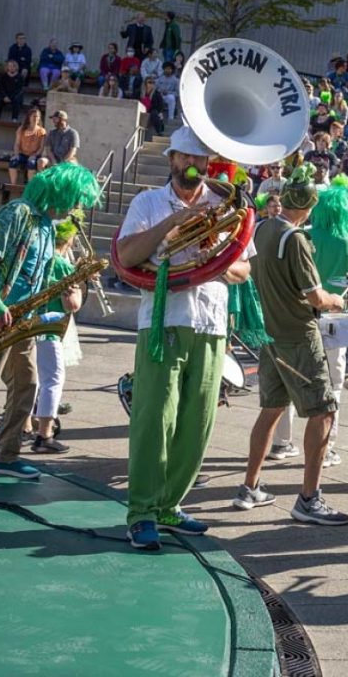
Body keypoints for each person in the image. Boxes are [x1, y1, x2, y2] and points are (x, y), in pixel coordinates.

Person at [115, 127, 252, 550]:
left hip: (210, 322)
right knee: (155, 417)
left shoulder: (224, 205)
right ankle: (141, 511)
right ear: (171, 158)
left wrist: (214, 256)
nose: (194, 166)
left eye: (201, 160)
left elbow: (244, 270)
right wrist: (173, 225)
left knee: (198, 422)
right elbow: (127, 254)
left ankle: (170, 504)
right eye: (187, 159)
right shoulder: (148, 202)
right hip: (164, 319)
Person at [0, 163, 101, 481]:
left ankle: (7, 456)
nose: (76, 208)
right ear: (60, 191)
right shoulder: (17, 212)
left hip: (23, 319)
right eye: (75, 199)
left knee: (27, 384)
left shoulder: (47, 226)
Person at [233, 168, 348, 524]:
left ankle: (250, 486)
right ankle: (309, 499)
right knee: (323, 412)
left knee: (270, 409)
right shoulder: (294, 238)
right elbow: (314, 295)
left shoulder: (263, 228)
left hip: (270, 336)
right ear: (310, 206)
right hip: (298, 336)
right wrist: (337, 300)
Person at [308, 183, 348, 469]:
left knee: (288, 382)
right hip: (335, 320)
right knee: (333, 384)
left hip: (301, 316)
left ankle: (282, 442)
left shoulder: (304, 237)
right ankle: (327, 447)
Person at [30, 219, 83, 454]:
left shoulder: (41, 259)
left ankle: (31, 424)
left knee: (36, 380)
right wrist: (80, 284)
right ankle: (45, 434)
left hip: (33, 324)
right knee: (53, 379)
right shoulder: (62, 265)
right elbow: (71, 304)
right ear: (69, 238)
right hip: (50, 326)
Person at [9, 108, 48, 185]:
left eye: (37, 116)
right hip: (22, 154)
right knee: (13, 162)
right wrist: (16, 155)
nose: (35, 118)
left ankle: (30, 186)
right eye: (33, 116)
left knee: (31, 163)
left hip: (34, 155)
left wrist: (34, 155)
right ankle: (12, 184)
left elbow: (41, 147)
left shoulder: (41, 131)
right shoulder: (22, 129)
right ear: (29, 117)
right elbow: (17, 144)